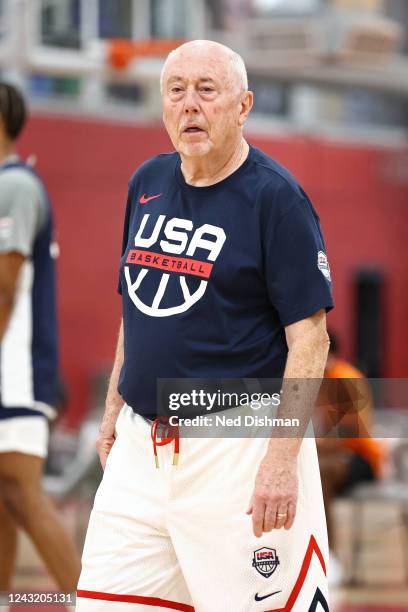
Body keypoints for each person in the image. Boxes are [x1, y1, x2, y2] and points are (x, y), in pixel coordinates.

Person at [76, 40, 334, 611]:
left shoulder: (277, 198)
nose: (189, 105)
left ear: (242, 106)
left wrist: (280, 460)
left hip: (237, 451)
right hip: (142, 451)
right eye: (176, 91)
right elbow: (137, 306)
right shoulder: (146, 182)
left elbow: (310, 341)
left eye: (206, 90)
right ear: (162, 105)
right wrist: (116, 406)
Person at [0, 83, 81, 595]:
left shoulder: (14, 185)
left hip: (16, 371)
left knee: (20, 491)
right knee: (5, 500)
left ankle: (94, 605)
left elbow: (5, 286)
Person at [316, 332, 386, 586]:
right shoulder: (313, 380)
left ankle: (328, 556)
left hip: (360, 458)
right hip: (326, 454)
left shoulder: (345, 378)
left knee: (318, 474)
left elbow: (349, 431)